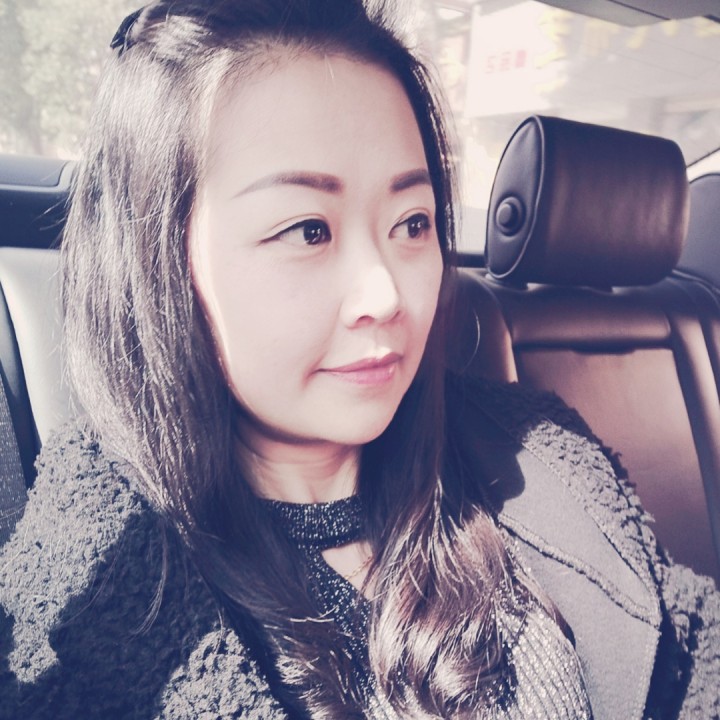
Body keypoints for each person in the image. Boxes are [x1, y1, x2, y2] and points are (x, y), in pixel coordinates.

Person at [1, 1, 718, 718]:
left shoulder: (540, 464)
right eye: (307, 230)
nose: (387, 294)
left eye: (412, 223)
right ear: (158, 262)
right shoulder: (95, 603)